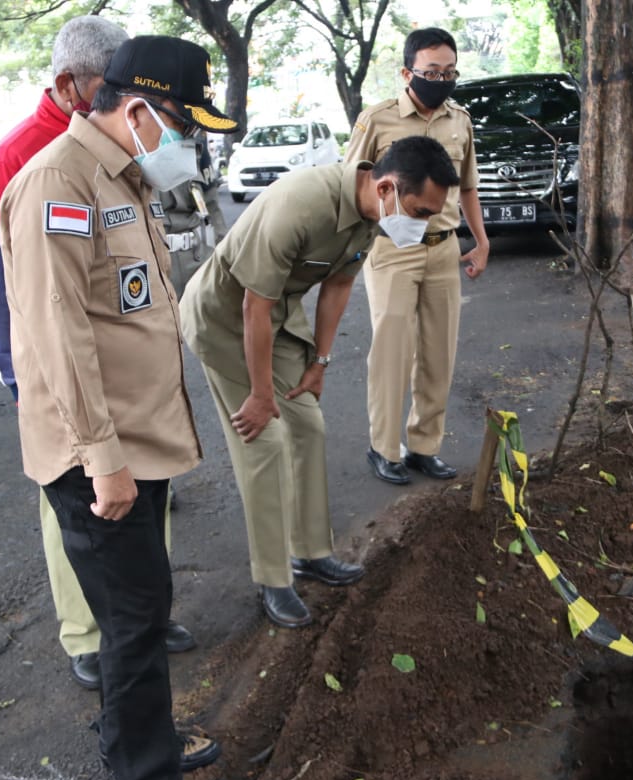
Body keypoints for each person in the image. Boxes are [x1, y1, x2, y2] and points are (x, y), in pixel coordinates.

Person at [0, 34, 238, 780]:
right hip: (100, 452)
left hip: (137, 438)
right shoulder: (55, 187)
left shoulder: (122, 179)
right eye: (181, 124)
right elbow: (57, 336)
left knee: (141, 605)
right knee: (132, 620)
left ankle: (145, 736)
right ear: (137, 110)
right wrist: (103, 456)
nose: (187, 142)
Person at [0, 16, 196, 695]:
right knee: (82, 518)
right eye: (109, 86)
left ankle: (135, 636)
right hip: (53, 375)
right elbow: (15, 295)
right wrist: (37, 395)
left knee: (138, 569)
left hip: (127, 397)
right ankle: (89, 637)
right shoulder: (34, 166)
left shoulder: (122, 164)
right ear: (80, 89)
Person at [179, 135, 459, 629]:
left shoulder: (373, 214)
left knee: (308, 426)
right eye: (418, 211)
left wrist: (320, 363)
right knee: (264, 441)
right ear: (388, 187)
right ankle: (272, 578)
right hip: (225, 320)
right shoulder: (301, 205)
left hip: (276, 320)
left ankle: (308, 551)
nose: (421, 224)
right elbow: (252, 306)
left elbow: (339, 284)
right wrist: (262, 394)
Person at [344, 26, 490, 486]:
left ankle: (425, 445)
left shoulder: (459, 121)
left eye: (449, 72)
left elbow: (467, 186)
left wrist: (481, 241)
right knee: (391, 350)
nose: (441, 80)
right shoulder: (378, 119)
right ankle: (385, 448)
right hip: (391, 248)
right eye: (431, 72)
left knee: (437, 352)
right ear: (408, 72)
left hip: (444, 249)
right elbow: (353, 183)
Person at [161, 136, 227, 296]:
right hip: (157, 265)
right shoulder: (135, 148)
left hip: (197, 259)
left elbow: (212, 207)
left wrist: (224, 257)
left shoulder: (195, 147)